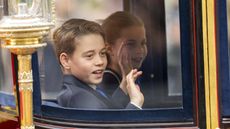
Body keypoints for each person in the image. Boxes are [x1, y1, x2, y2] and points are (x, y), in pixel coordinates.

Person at [53, 18, 144, 109]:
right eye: (89, 56)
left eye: (102, 53)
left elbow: (107, 110)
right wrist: (136, 102)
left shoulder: (80, 89)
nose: (100, 62)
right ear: (65, 60)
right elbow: (113, 123)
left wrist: (124, 83)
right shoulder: (81, 98)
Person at [99, 11, 147, 106]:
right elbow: (111, 112)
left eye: (143, 43)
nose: (140, 50)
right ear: (110, 49)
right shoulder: (107, 79)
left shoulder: (132, 74)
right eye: (130, 44)